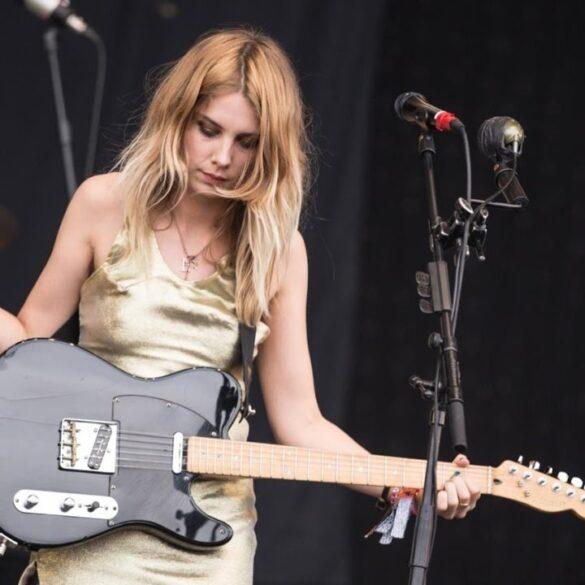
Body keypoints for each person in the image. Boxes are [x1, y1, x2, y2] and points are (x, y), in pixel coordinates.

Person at [0, 27, 480, 585]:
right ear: (178, 116)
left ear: (270, 149)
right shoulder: (104, 203)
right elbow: (28, 343)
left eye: (247, 142)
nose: (222, 157)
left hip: (207, 541)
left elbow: (301, 420)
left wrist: (408, 485)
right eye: (208, 130)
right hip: (91, 520)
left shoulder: (277, 250)